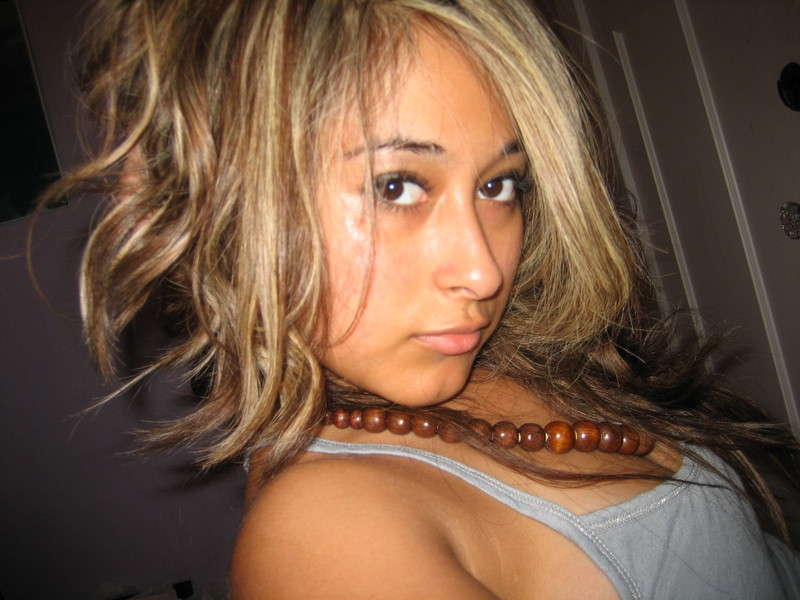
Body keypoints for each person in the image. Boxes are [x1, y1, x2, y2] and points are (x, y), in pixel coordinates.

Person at [44, 0, 800, 598]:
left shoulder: (521, 358)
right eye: (397, 186)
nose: (483, 270)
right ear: (222, 206)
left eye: (499, 184)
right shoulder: (325, 537)